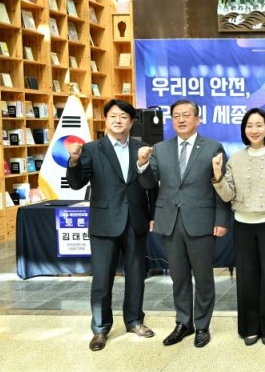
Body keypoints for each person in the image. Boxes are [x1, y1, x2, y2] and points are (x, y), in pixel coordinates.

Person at [138, 99, 231, 348]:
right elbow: (148, 183)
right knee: (178, 276)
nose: (181, 119)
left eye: (186, 115)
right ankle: (183, 322)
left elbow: (221, 185)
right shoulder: (159, 149)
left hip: (201, 221)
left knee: (203, 277)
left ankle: (202, 325)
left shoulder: (213, 147)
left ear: (197, 119)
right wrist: (142, 164)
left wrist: (222, 219)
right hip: (170, 221)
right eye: (176, 115)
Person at [66, 99, 156, 351]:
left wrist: (143, 165)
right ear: (105, 119)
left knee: (136, 276)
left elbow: (150, 185)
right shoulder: (91, 149)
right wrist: (73, 162)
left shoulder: (143, 148)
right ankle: (100, 329)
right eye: (113, 116)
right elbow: (76, 184)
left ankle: (135, 320)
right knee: (102, 279)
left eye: (124, 117)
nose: (118, 120)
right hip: (104, 223)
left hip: (135, 221)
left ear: (132, 122)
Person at [212, 108, 265, 346]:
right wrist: (217, 176)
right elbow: (228, 196)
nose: (254, 130)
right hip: (243, 226)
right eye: (249, 125)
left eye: (259, 125)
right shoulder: (235, 158)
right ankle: (249, 327)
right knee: (246, 279)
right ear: (244, 130)